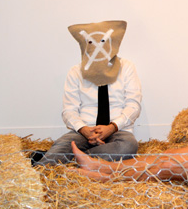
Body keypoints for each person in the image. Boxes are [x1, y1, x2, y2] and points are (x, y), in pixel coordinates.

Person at [36, 21, 142, 165]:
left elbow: (133, 106)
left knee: (127, 147)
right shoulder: (75, 72)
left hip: (118, 131)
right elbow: (69, 110)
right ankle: (74, 161)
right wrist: (84, 129)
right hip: (84, 131)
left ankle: (73, 161)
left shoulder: (127, 68)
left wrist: (112, 127)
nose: (98, 47)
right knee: (61, 147)